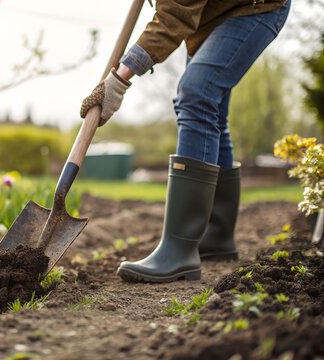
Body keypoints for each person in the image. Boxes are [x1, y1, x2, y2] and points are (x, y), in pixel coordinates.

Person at [80, 0, 291, 283]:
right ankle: (215, 235)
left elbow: (173, 17)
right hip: (212, 14)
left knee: (196, 93)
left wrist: (119, 81)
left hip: (256, 6)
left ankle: (179, 249)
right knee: (210, 109)